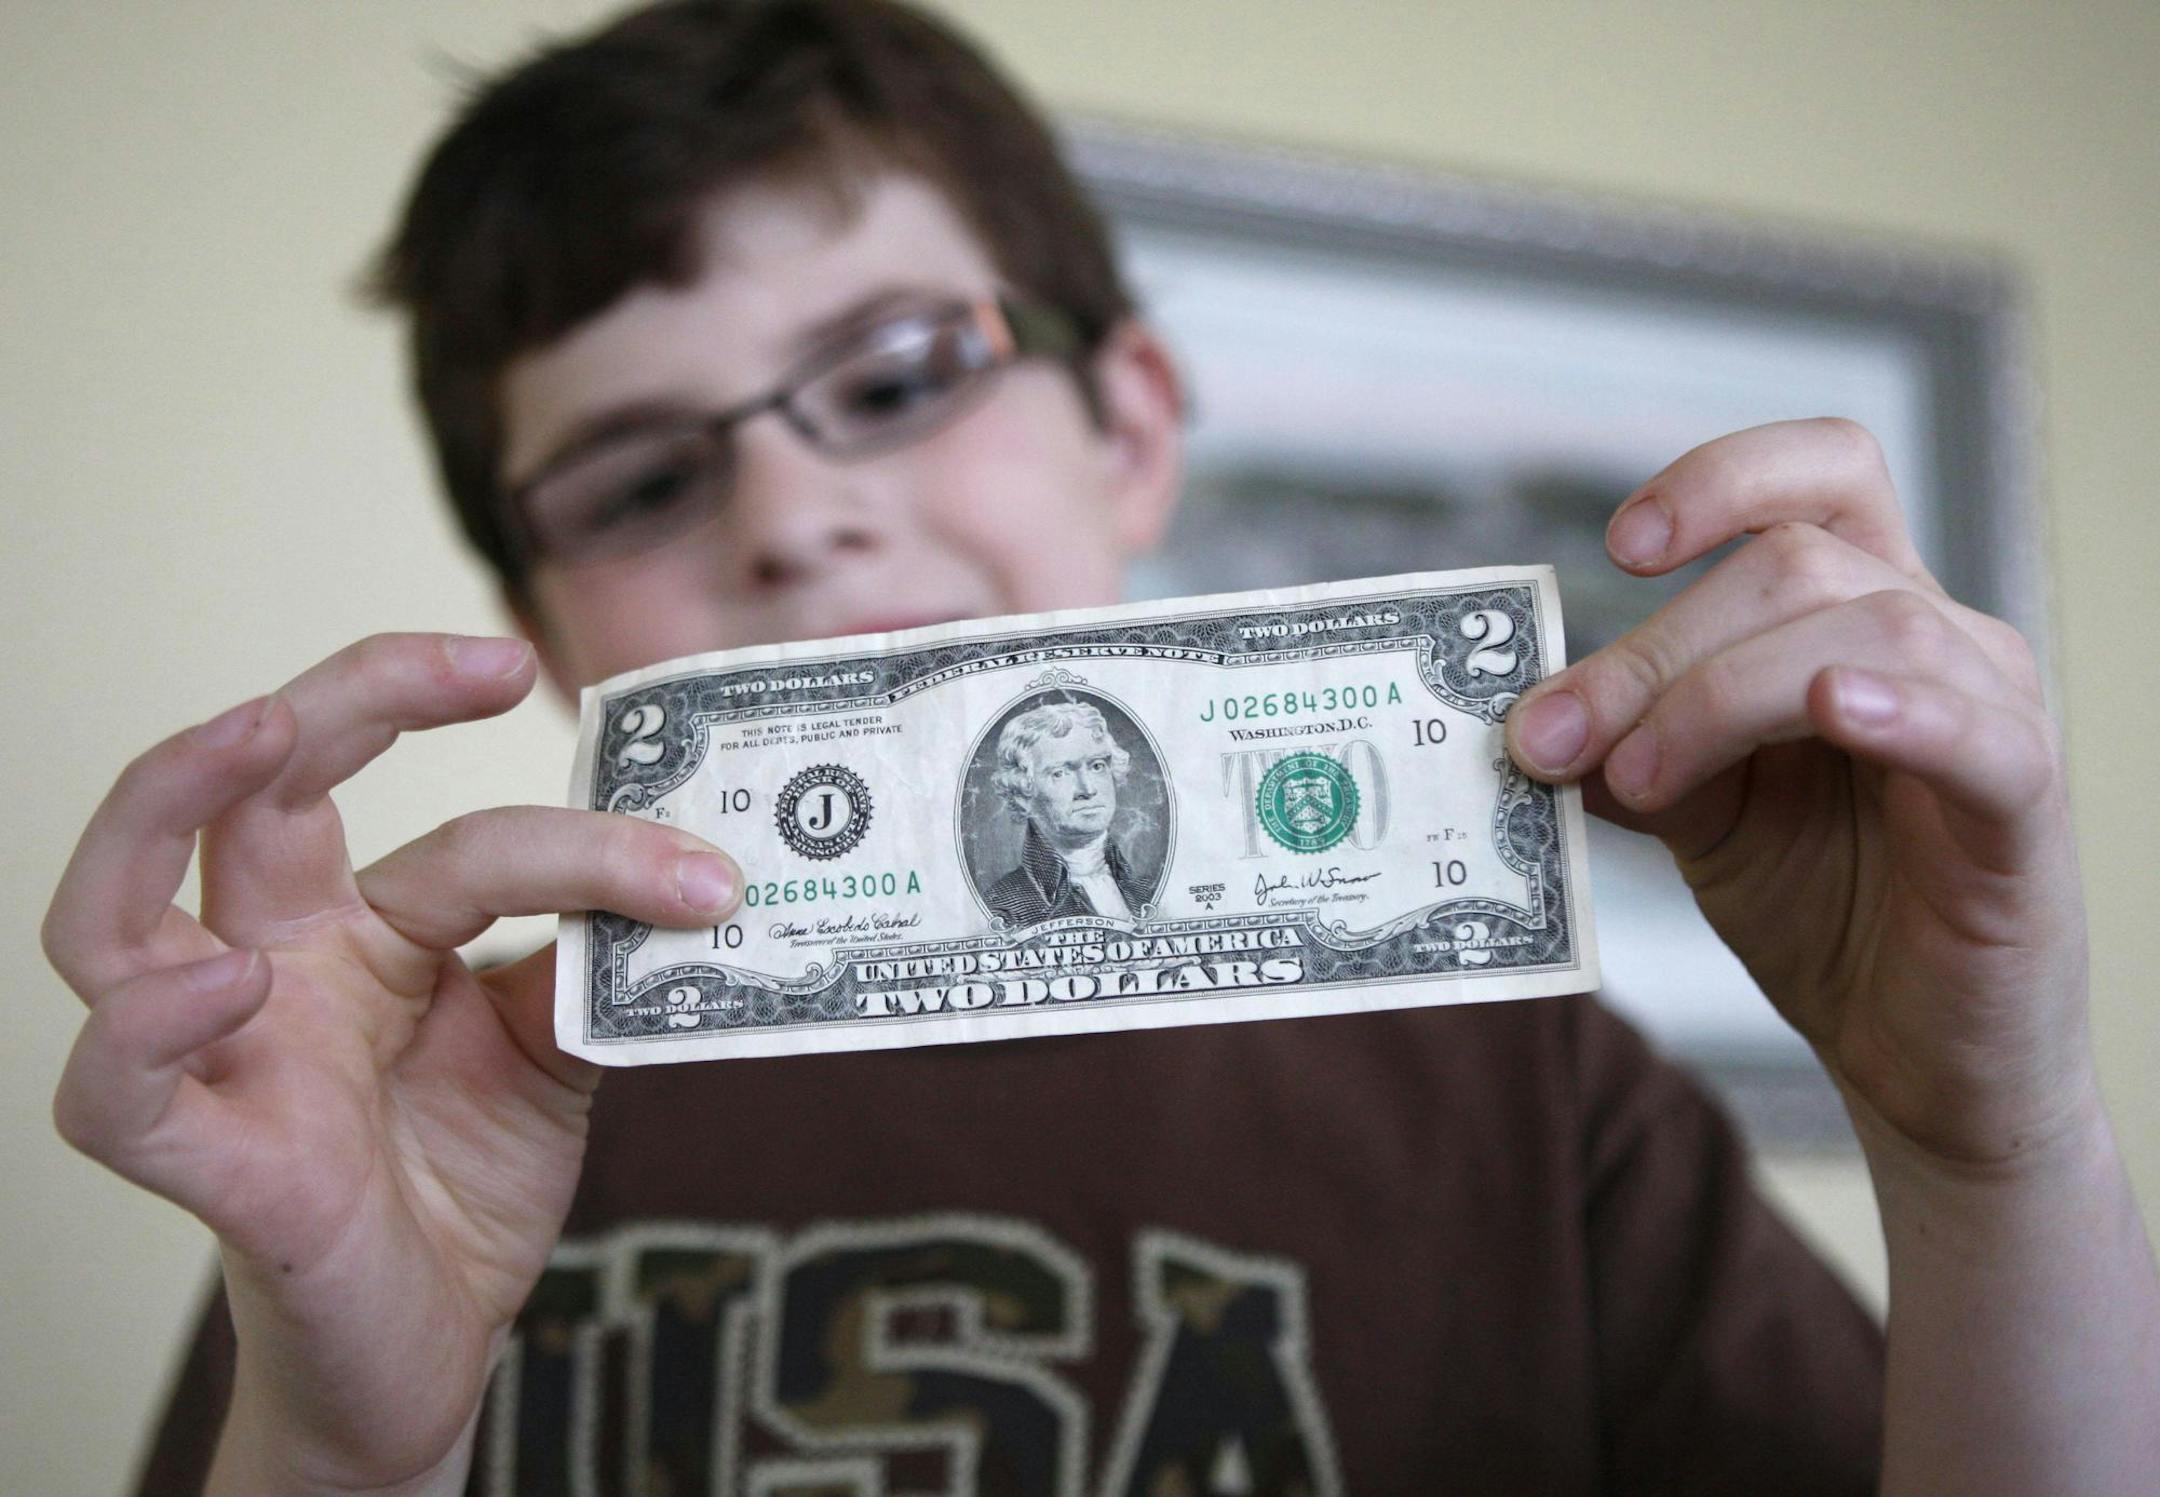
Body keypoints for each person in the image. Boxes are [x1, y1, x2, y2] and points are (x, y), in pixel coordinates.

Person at [37, 1, 2158, 1493]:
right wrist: (339, 1452)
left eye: (895, 376)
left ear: (1131, 426)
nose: (794, 511)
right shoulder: (419, 1129)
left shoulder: (1528, 1092)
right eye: (640, 479)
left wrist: (1994, 1157)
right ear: (546, 625)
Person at [983, 700, 1148, 925]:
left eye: (1097, 766)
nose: (1087, 790)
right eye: (1060, 773)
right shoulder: (1003, 908)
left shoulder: (1146, 890)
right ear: (1023, 794)